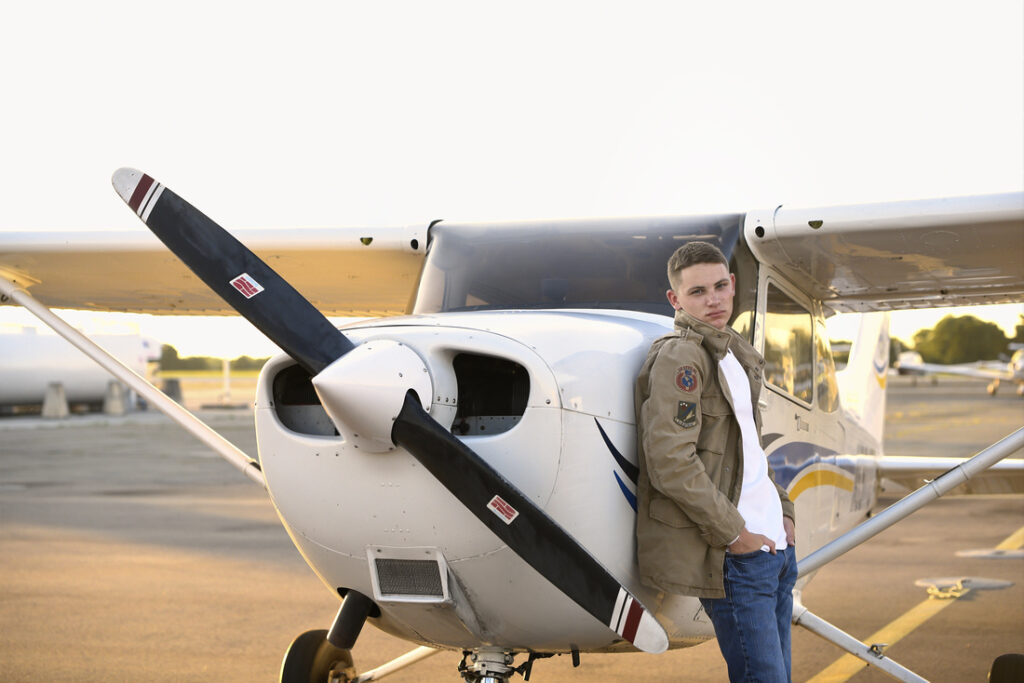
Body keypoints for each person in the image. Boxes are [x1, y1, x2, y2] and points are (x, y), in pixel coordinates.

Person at [634, 241, 797, 682]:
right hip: (738, 556)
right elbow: (670, 461)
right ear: (675, 300)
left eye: (721, 287)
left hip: (775, 551)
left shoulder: (733, 354)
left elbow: (745, 447)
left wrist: (783, 509)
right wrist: (735, 534)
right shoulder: (681, 357)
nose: (713, 300)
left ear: (733, 286)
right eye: (698, 292)